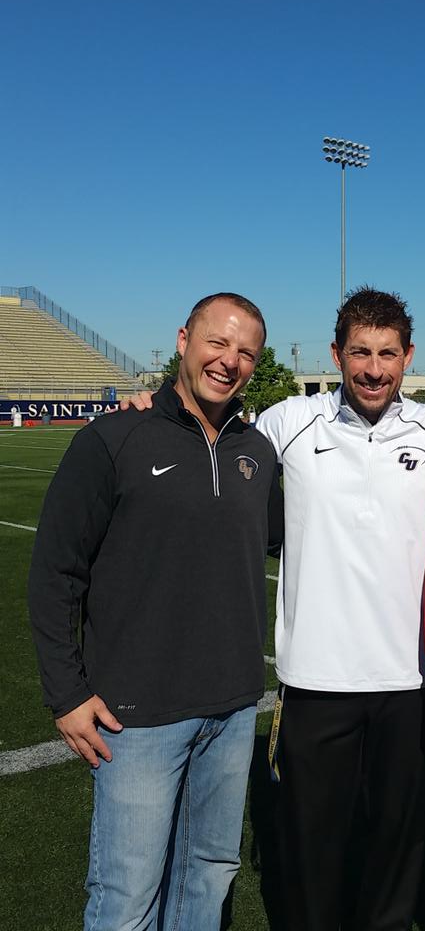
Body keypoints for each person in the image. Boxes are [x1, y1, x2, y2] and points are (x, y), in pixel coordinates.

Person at [123, 285, 425, 931]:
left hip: (410, 683)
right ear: (337, 353)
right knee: (310, 857)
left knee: (394, 858)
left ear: (408, 357)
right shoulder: (283, 425)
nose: (373, 368)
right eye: (359, 352)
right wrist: (152, 411)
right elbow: (207, 440)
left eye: (387, 353)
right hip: (315, 683)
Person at [28, 293, 283, 931]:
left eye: (245, 351)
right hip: (135, 719)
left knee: (208, 879)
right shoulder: (115, 436)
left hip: (231, 711)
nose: (229, 361)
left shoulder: (258, 451)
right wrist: (66, 694)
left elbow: (281, 540)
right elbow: (56, 571)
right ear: (183, 339)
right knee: (126, 897)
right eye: (217, 343)